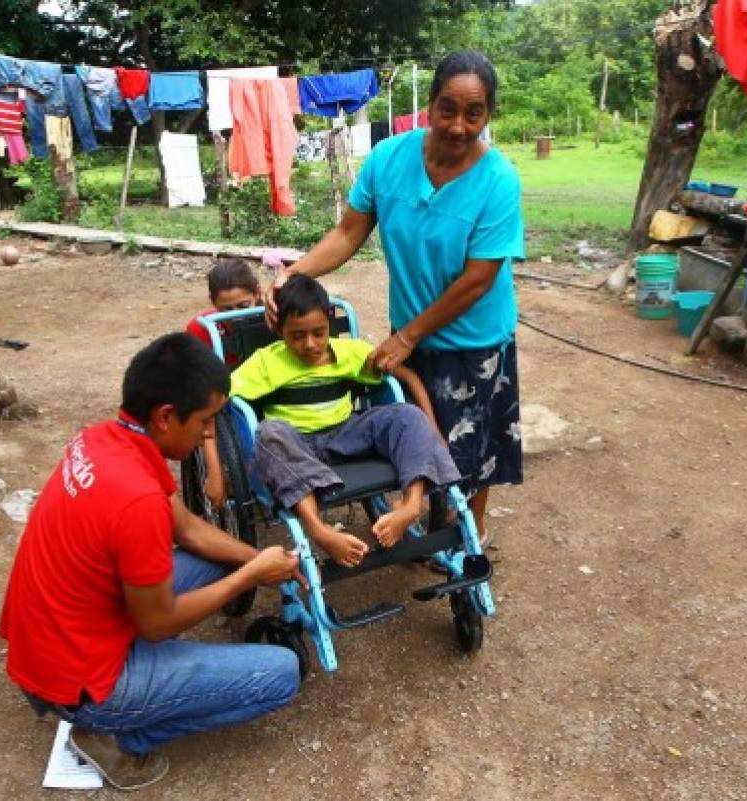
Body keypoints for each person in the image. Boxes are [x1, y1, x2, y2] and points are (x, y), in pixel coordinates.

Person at [0, 334, 303, 792]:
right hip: (81, 683)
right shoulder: (135, 501)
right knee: (281, 675)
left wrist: (255, 560)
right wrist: (253, 575)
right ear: (165, 416)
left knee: (219, 562)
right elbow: (157, 623)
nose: (208, 435)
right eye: (205, 421)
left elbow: (189, 529)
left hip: (57, 639)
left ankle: (138, 687)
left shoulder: (106, 438)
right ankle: (114, 734)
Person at [265, 50, 525, 547]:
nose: (458, 125)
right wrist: (293, 273)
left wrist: (407, 336)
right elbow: (347, 234)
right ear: (430, 104)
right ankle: (427, 519)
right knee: (418, 433)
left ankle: (469, 532)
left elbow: (477, 279)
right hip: (411, 332)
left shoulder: (498, 181)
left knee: (471, 445)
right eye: (448, 108)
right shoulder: (388, 160)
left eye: (475, 113)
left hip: (473, 338)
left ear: (488, 114)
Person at [233, 273, 461, 567]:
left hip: (345, 434)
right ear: (279, 331)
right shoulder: (266, 362)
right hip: (296, 444)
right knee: (269, 432)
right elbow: (219, 399)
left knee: (406, 414)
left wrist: (432, 429)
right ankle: (319, 530)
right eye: (297, 336)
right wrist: (214, 465)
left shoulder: (350, 353)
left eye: (319, 332)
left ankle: (411, 504)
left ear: (329, 322)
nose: (311, 344)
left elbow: (408, 377)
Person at [184, 258, 262, 507]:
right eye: (226, 310)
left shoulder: (273, 319)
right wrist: (214, 472)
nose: (235, 317)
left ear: (257, 294)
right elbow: (204, 404)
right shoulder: (201, 331)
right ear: (213, 304)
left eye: (243, 305)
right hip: (222, 400)